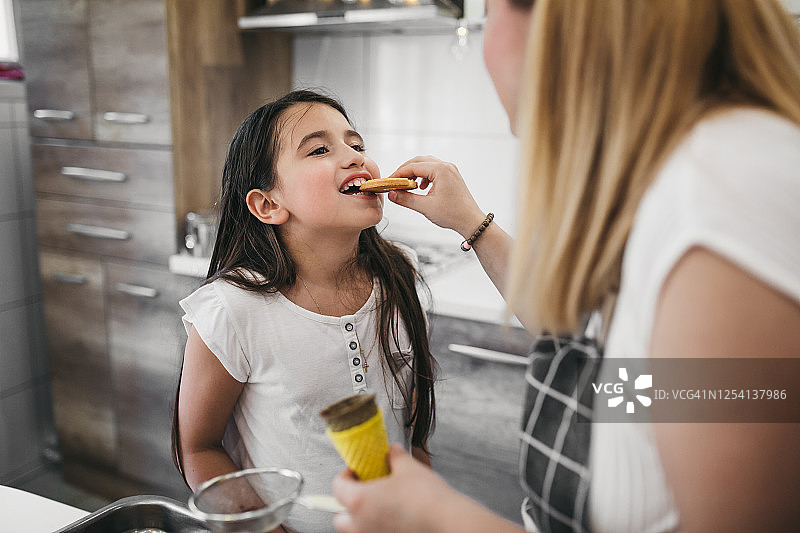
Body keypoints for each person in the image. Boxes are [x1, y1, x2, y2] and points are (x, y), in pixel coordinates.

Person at [331, 1, 800, 532]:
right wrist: (471, 223)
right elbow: (632, 378)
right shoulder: (677, 178)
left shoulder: (724, 202)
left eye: (493, 8)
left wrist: (437, 518)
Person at [171, 90, 436, 533]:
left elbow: (411, 429)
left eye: (357, 145)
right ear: (268, 204)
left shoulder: (399, 276)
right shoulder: (232, 310)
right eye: (319, 149)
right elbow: (197, 448)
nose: (355, 157)